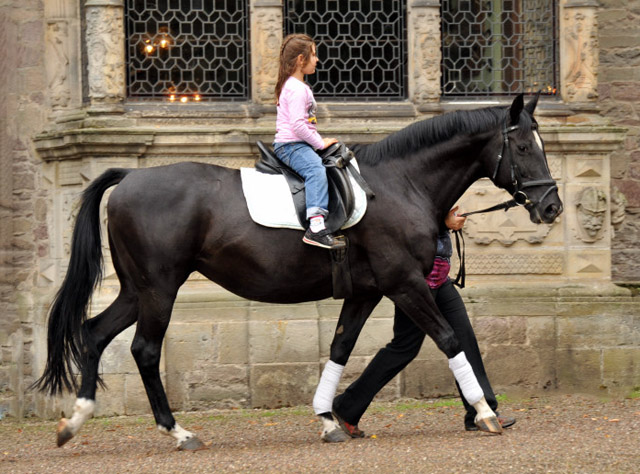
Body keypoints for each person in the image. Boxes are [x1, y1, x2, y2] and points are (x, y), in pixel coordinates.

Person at [332, 207, 516, 436]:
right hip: (416, 285)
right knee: (403, 347)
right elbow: (411, 219)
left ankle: (480, 411)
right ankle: (346, 408)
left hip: (441, 280)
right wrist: (443, 222)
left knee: (464, 338)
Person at [273, 33, 345, 250]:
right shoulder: (296, 89)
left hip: (297, 143)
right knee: (316, 170)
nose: (317, 60)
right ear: (300, 60)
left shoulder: (294, 86)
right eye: (314, 55)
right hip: (292, 145)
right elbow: (298, 125)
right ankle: (316, 226)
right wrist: (319, 142)